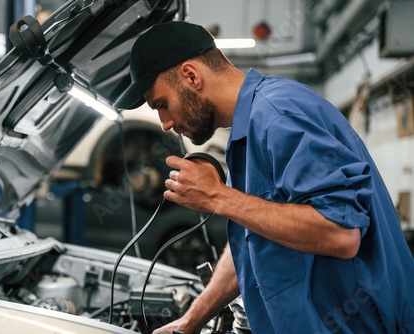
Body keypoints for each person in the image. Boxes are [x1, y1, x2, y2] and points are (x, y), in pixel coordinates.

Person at [113, 21, 414, 333]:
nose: (164, 122)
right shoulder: (249, 130)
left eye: (162, 104)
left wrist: (218, 196)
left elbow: (340, 233)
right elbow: (253, 239)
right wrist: (190, 322)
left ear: (191, 76)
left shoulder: (278, 115)